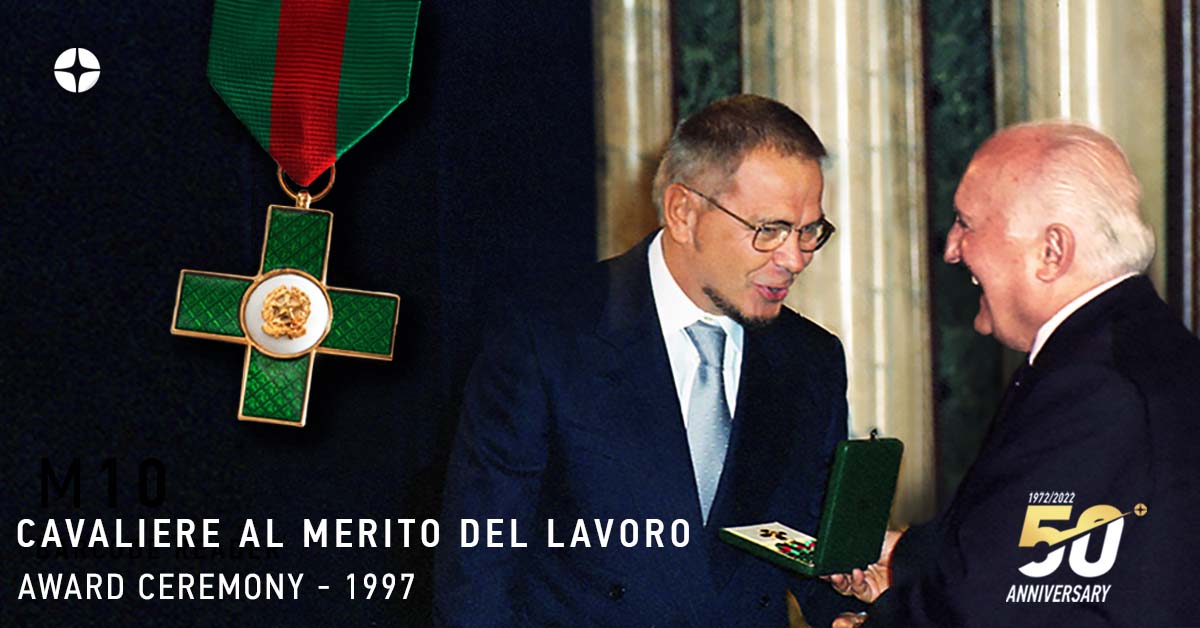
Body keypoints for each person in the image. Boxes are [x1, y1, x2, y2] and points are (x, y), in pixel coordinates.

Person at [435, 94, 854, 627]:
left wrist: (849, 604)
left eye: (809, 231)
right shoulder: (545, 336)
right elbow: (478, 567)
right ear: (683, 212)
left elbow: (806, 539)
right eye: (768, 230)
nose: (794, 259)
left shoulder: (813, 359)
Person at [828, 121, 1200, 627]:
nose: (951, 248)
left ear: (1052, 252)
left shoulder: (1093, 386)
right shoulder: (1135, 346)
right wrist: (903, 560)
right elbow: (1032, 543)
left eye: (966, 224)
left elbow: (995, 600)